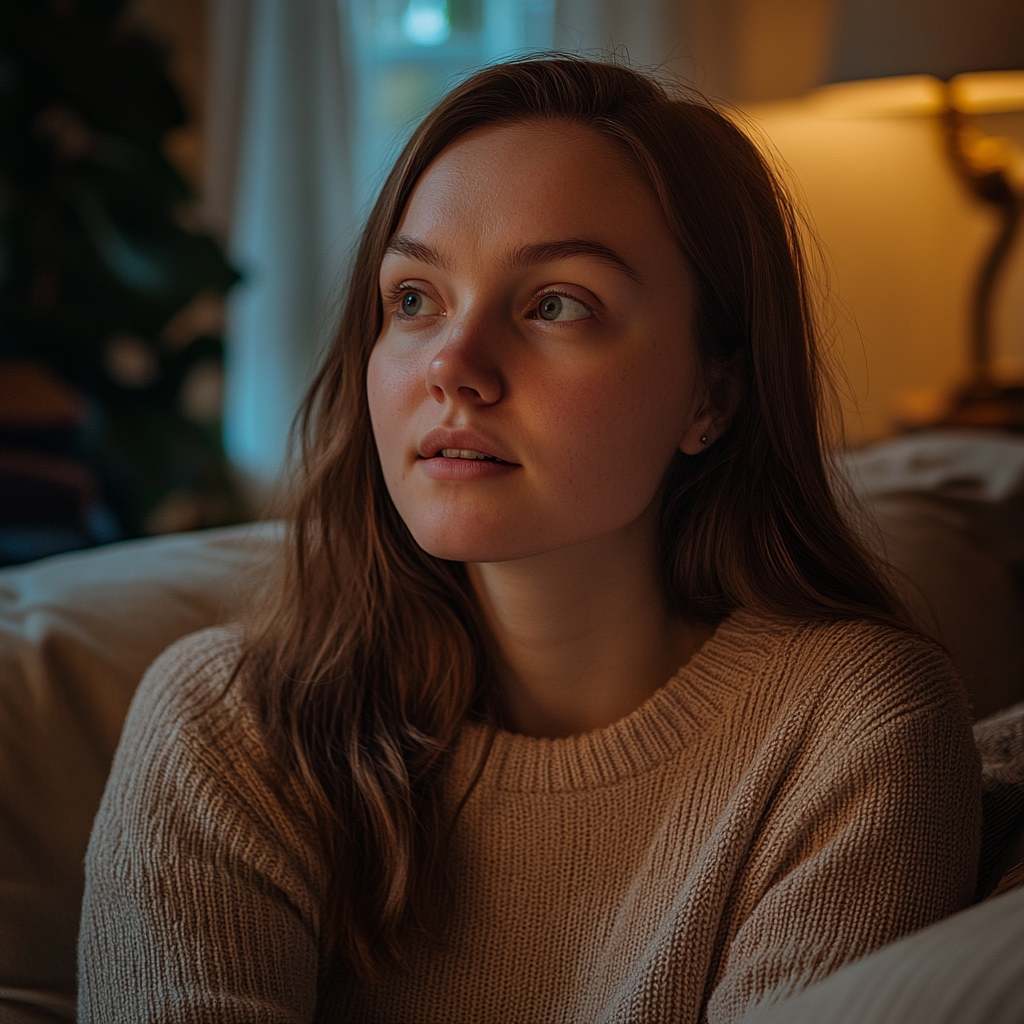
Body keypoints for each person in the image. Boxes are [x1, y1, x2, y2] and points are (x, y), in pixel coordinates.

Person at [77, 57, 980, 1023]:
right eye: (415, 298)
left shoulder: (853, 735)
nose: (453, 367)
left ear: (714, 393)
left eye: (557, 304)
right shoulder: (230, 728)